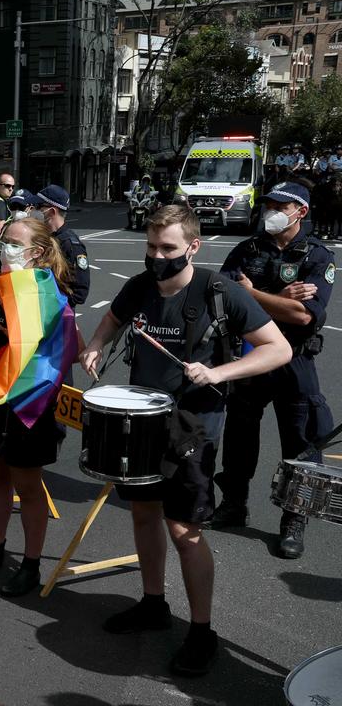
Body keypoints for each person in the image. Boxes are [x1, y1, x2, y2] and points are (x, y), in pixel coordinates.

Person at [79, 204, 291, 676]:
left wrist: (218, 371)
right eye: (151, 247)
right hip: (141, 417)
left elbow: (280, 348)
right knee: (142, 512)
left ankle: (201, 630)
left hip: (192, 424)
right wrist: (95, 345)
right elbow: (113, 320)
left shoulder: (220, 291)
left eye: (168, 248)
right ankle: (153, 603)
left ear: (193, 246)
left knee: (184, 530)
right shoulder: (139, 287)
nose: (157, 256)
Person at [212, 182, 333, 558]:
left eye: (280, 206)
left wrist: (252, 294)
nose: (271, 212)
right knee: (239, 432)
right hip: (250, 353)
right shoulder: (246, 249)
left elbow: (302, 315)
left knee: (302, 439)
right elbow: (223, 298)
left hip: (295, 358)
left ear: (301, 212)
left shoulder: (316, 256)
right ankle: (234, 503)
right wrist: (277, 299)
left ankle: (293, 521)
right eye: (268, 205)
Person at [0, 218, 71, 598]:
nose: (3, 246)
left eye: (12, 242)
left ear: (37, 252)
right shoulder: (4, 282)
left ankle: (30, 563)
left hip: (29, 398)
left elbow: (51, 347)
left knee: (27, 484)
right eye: (3, 240)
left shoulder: (43, 290)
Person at [35, 185, 91, 307]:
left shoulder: (70, 245)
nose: (34, 210)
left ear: (52, 211)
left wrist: (53, 301)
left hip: (57, 316)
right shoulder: (43, 237)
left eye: (39, 207)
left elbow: (80, 293)